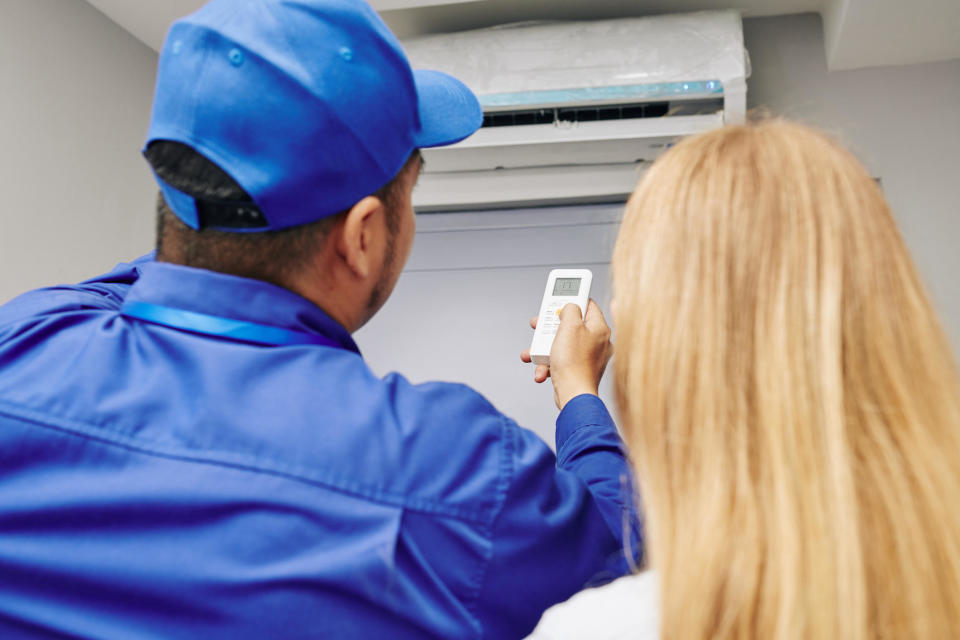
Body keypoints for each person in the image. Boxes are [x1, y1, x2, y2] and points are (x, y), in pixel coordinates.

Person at [0, 1, 639, 638]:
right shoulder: (453, 471)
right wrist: (577, 387)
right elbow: (619, 554)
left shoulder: (24, 341)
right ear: (362, 237)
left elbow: (155, 275)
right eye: (408, 196)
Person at [528, 119, 960, 639]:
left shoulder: (610, 626)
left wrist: (578, 392)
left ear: (674, 354)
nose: (619, 306)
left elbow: (607, 542)